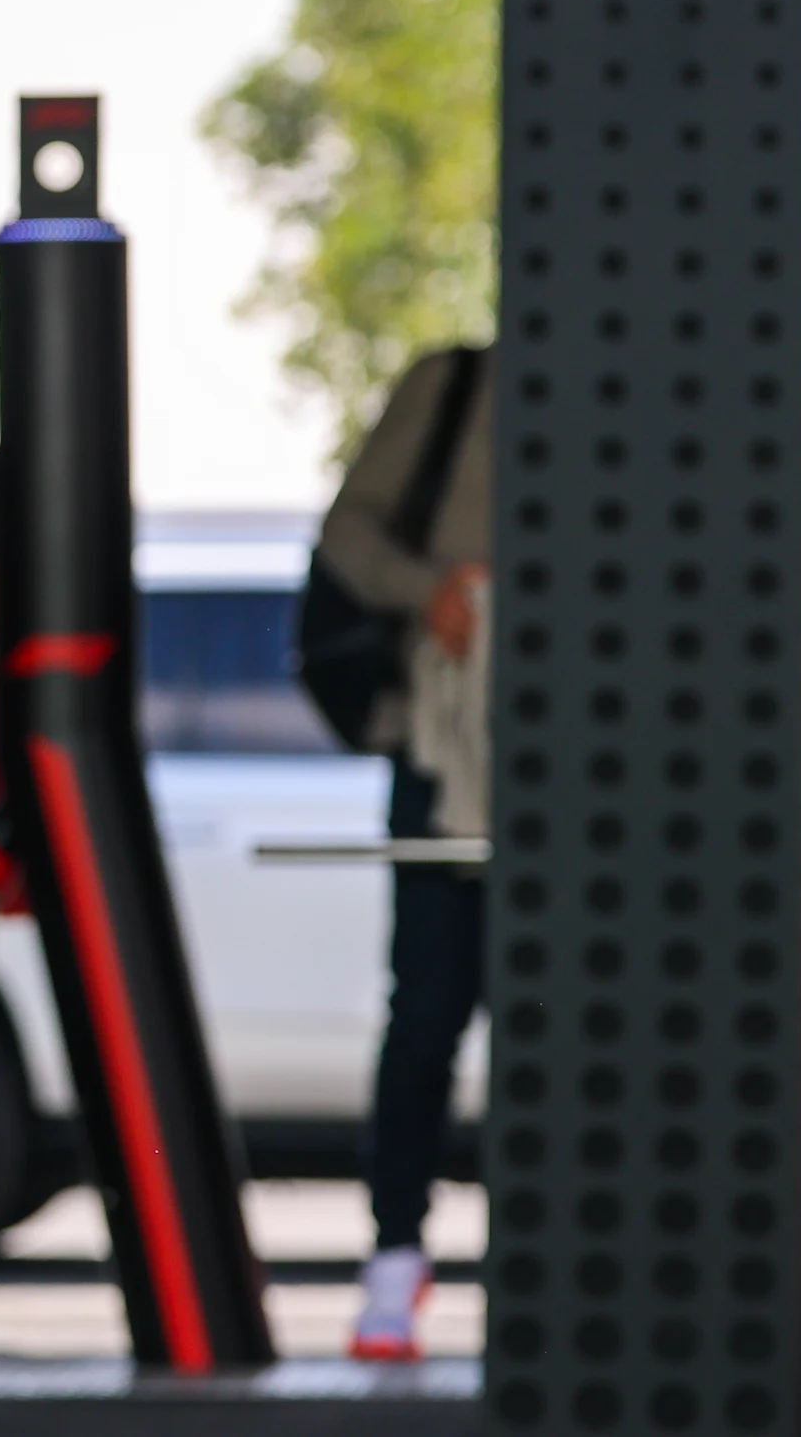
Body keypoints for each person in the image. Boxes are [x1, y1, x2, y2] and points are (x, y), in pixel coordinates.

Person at [315, 341, 493, 1362]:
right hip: (441, 746)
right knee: (424, 1010)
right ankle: (392, 1263)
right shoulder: (453, 384)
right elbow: (349, 532)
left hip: (594, 759)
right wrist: (430, 587)